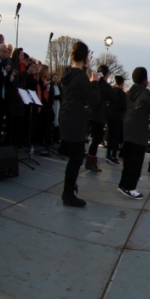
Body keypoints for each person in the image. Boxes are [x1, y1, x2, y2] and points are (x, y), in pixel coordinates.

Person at [57, 41, 101, 207]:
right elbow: (94, 100)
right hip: (75, 119)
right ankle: (68, 194)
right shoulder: (81, 77)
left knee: (74, 156)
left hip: (65, 115)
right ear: (84, 56)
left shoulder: (67, 73)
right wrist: (95, 82)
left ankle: (69, 189)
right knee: (76, 158)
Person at [118, 67, 150, 199]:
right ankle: (131, 187)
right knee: (136, 161)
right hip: (138, 129)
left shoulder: (130, 92)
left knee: (128, 159)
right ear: (144, 80)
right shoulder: (145, 93)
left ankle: (123, 183)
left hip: (127, 126)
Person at [105, 75, 126, 165]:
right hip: (118, 117)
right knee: (116, 137)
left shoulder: (111, 91)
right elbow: (124, 107)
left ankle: (108, 153)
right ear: (122, 83)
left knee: (110, 135)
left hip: (110, 115)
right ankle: (113, 155)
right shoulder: (122, 94)